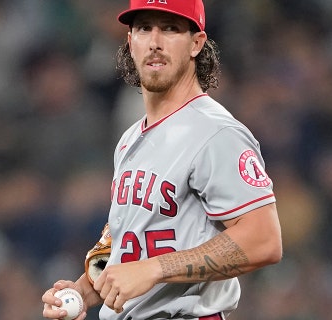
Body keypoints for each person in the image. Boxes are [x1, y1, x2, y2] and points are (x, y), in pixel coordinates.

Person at [42, 0, 282, 319]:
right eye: (144, 28)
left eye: (170, 28)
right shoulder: (129, 139)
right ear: (130, 41)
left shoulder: (215, 132)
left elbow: (264, 240)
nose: (155, 42)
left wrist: (154, 269)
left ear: (196, 44)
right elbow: (126, 239)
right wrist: (82, 291)